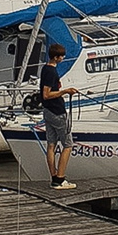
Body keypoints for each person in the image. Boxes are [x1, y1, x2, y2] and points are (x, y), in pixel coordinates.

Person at [39, 42, 76, 189]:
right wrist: (65, 91)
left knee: (51, 145)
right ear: (56, 57)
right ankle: (60, 178)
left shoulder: (45, 68)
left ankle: (54, 178)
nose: (63, 58)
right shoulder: (51, 72)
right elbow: (46, 94)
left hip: (48, 111)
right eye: (61, 56)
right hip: (57, 112)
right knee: (68, 145)